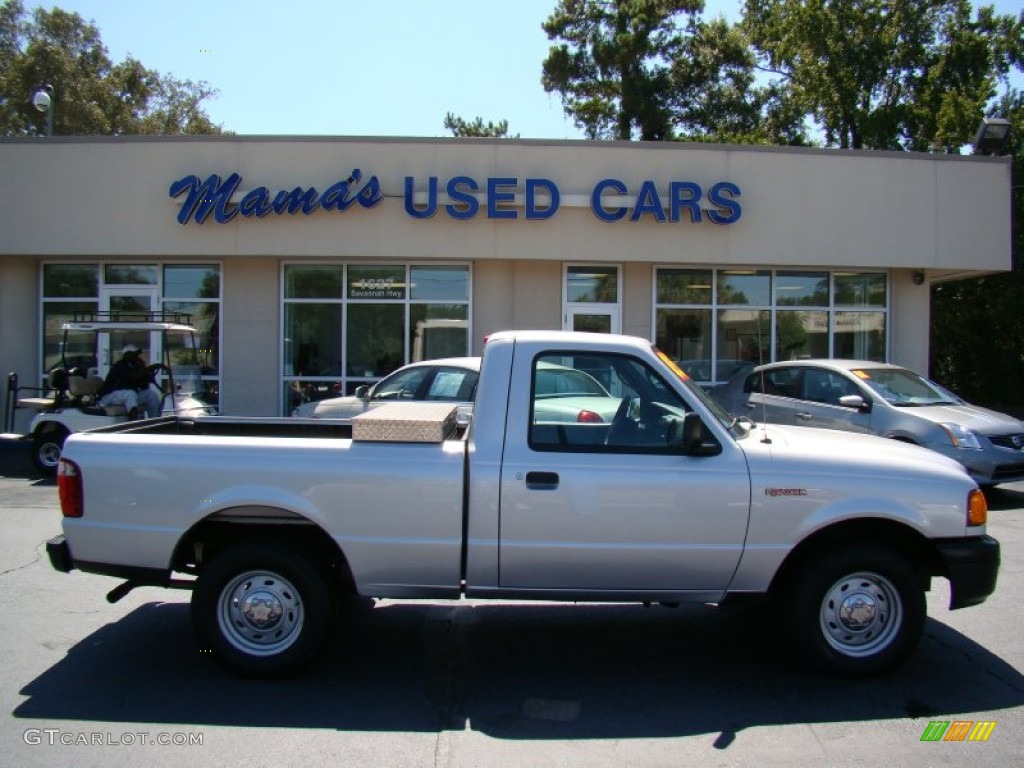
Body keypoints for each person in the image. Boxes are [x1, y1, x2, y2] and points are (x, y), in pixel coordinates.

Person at [97, 345, 165, 419]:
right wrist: (154, 366)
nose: (137, 357)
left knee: (150, 394)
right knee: (130, 394)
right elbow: (135, 376)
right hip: (109, 396)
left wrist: (147, 375)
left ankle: (154, 421)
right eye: (135, 355)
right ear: (127, 355)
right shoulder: (120, 365)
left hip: (126, 397)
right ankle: (133, 422)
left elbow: (142, 385)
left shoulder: (134, 366)